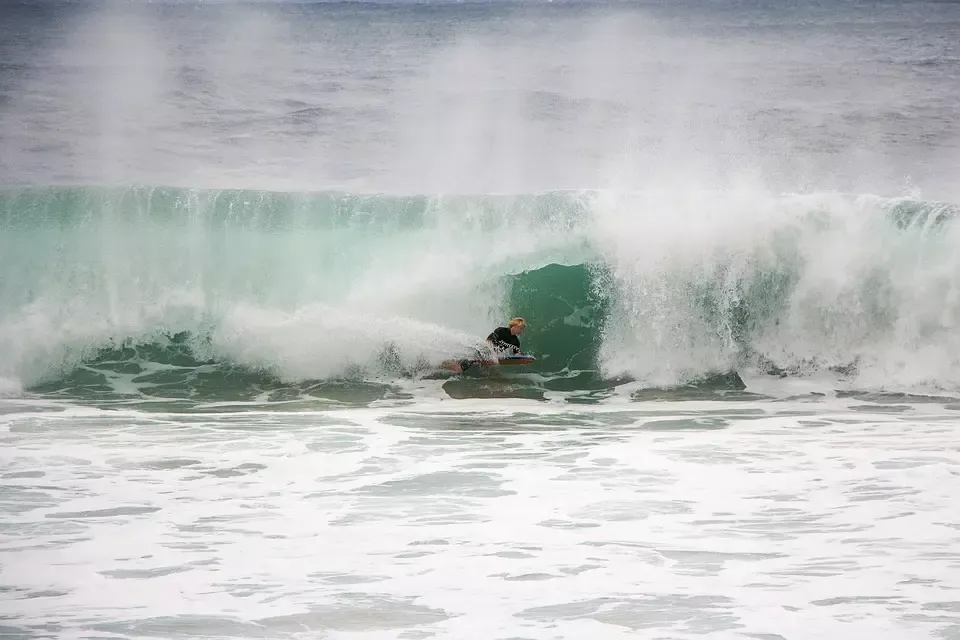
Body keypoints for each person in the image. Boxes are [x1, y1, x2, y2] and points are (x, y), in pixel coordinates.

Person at [443, 317, 527, 374]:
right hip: (485, 347)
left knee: (483, 361)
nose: (522, 331)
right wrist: (493, 353)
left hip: (492, 353)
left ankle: (457, 366)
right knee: (475, 357)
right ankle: (456, 366)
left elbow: (516, 353)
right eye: (521, 328)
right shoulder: (501, 330)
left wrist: (522, 357)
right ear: (515, 325)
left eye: (523, 329)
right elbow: (489, 340)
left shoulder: (515, 341)